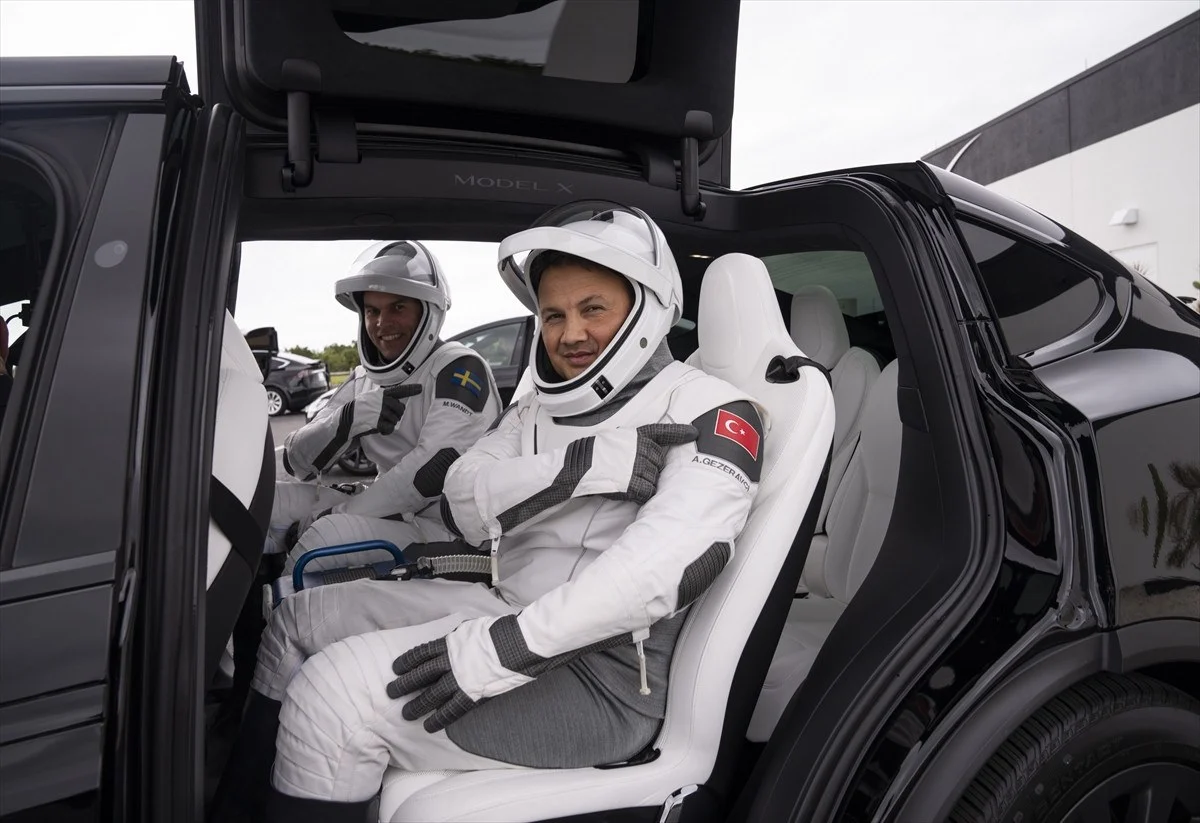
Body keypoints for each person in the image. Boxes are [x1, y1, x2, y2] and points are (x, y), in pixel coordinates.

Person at [209, 203, 767, 822]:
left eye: (593, 309)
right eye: (553, 315)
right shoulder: (539, 406)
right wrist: (584, 466)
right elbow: (463, 497)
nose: (571, 335)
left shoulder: (713, 411)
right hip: (502, 607)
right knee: (298, 620)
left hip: (597, 678)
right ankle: (234, 807)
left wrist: (498, 651)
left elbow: (664, 566)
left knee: (334, 697)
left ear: (648, 307)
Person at [269, 240, 501, 573]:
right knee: (270, 504)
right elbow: (296, 462)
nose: (381, 323)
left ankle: (281, 603)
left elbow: (430, 473)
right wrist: (348, 420)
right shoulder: (363, 378)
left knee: (320, 539)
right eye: (372, 311)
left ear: (428, 312)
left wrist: (335, 515)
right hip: (386, 508)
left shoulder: (459, 367)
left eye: (398, 307)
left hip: (450, 527)